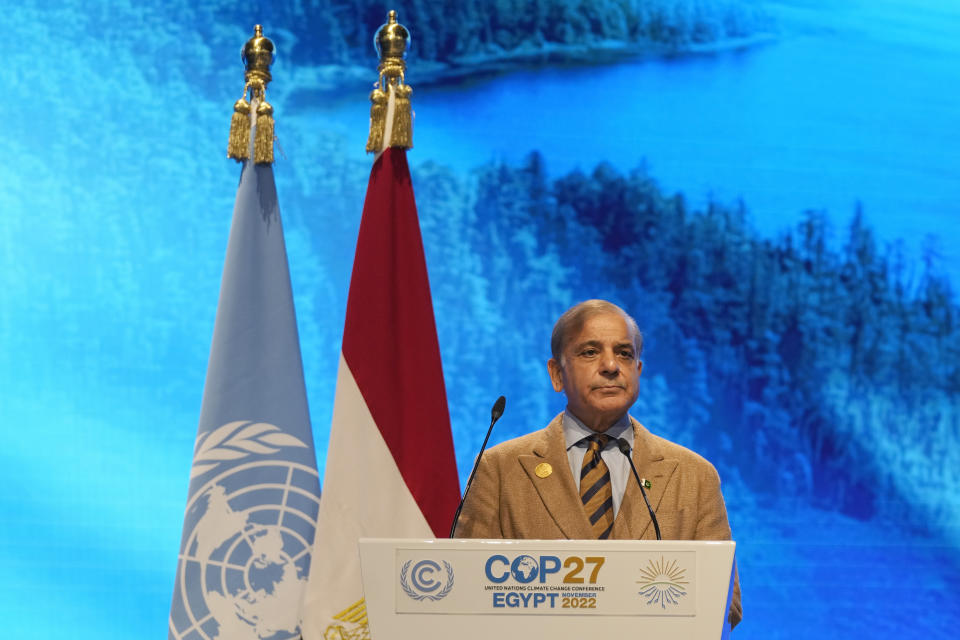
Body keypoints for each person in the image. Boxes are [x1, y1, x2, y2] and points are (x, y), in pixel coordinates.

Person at [455, 299, 742, 628]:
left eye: (624, 353)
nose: (610, 365)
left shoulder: (694, 476)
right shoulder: (500, 469)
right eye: (590, 352)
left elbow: (725, 604)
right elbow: (467, 591)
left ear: (638, 370)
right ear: (556, 374)